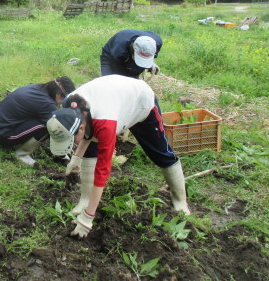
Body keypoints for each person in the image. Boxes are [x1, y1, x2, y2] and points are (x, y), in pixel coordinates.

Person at [46, 75, 190, 238]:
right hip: (114, 101)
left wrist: (88, 218)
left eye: (70, 139)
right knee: (90, 149)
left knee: (160, 153)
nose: (71, 144)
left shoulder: (105, 124)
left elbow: (103, 171)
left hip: (140, 103)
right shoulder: (68, 107)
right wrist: (76, 159)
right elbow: (86, 132)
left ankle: (180, 200)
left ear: (79, 127)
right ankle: (85, 200)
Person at [0, 76, 76, 165]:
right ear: (58, 94)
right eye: (64, 99)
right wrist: (62, 153)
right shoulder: (47, 103)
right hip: (2, 134)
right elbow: (57, 128)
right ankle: (22, 154)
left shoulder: (37, 88)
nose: (61, 103)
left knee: (48, 120)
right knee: (49, 125)